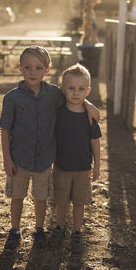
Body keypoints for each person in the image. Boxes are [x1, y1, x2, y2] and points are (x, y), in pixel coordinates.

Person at [0, 46, 100, 252]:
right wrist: (7, 159)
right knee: (17, 196)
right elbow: (5, 130)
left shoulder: (54, 93)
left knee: (41, 197)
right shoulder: (12, 98)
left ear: (47, 69)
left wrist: (89, 104)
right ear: (20, 68)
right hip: (19, 158)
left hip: (45, 159)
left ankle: (39, 229)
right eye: (27, 67)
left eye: (38, 67)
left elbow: (75, 94)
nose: (32, 72)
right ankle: (15, 230)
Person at [48, 63, 102, 255]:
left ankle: (77, 232)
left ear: (88, 90)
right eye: (71, 88)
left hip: (83, 168)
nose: (76, 93)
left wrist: (97, 164)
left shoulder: (90, 117)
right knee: (61, 202)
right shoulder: (58, 112)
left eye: (81, 89)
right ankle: (60, 227)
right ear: (63, 90)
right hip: (61, 167)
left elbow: (95, 141)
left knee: (79, 203)